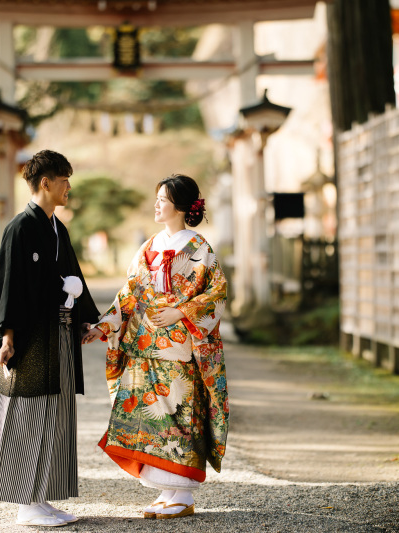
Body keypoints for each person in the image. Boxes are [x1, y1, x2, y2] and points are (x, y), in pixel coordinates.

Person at [84, 173, 229, 520]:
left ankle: (182, 492)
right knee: (152, 417)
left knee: (179, 413)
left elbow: (217, 293)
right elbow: (130, 292)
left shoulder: (200, 248)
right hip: (145, 346)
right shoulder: (148, 246)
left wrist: (180, 309)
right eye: (157, 198)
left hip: (181, 346)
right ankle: (168, 491)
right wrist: (103, 326)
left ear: (180, 206)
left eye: (162, 199)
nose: (157, 204)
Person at [0, 150, 100, 527]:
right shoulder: (20, 228)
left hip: (58, 336)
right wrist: (6, 336)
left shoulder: (56, 228)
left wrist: (85, 322)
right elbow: (7, 286)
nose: (68, 188)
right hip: (29, 339)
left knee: (55, 415)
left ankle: (41, 497)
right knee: (27, 415)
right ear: (45, 182)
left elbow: (74, 277)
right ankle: (24, 504)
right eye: (64, 181)